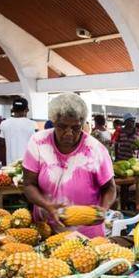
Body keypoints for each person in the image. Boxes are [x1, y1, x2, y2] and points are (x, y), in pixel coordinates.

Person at [22, 93, 116, 237]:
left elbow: (110, 188)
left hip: (86, 234)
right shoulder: (38, 142)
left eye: (76, 127)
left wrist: (103, 209)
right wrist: (47, 206)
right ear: (53, 122)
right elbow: (28, 184)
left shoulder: (95, 149)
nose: (69, 133)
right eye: (62, 126)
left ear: (82, 124)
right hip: (46, 230)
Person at [0, 97, 37, 165]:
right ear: (27, 110)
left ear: (12, 109)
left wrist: (4, 165)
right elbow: (36, 146)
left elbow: (1, 145)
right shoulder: (33, 124)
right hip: (28, 165)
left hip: (10, 165)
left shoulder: (3, 123)